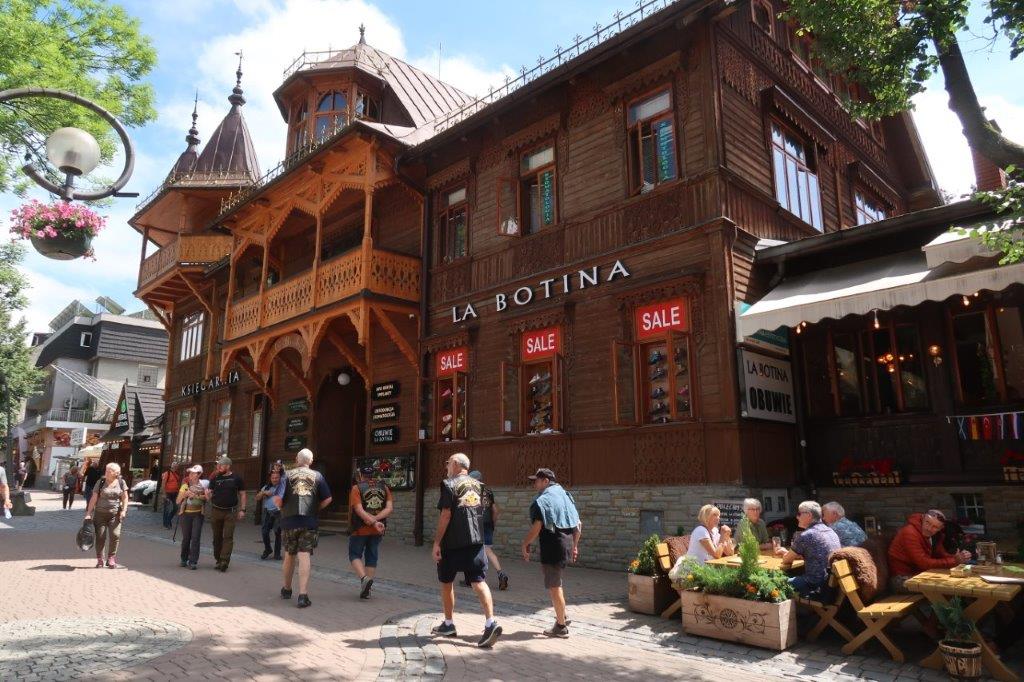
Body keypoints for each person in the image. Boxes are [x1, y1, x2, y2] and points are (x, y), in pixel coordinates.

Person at [430, 452, 502, 648]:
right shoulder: (479, 485)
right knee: (478, 581)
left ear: (455, 464)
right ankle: (490, 622)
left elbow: (445, 514)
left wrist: (436, 542)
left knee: (446, 581)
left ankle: (449, 623)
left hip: (452, 542)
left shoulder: (448, 484)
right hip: (476, 540)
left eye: (448, 463)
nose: (446, 466)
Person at [521, 467, 581, 638]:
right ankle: (563, 615)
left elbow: (537, 526)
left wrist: (525, 544)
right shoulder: (566, 495)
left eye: (536, 481)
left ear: (546, 481)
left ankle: (561, 627)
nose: (534, 484)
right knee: (557, 581)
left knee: (555, 586)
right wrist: (575, 545)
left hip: (553, 545)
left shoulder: (543, 500)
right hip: (566, 543)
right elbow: (578, 525)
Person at [275, 448, 332, 608]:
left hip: (289, 521)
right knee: (304, 555)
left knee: (289, 555)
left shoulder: (287, 475)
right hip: (308, 521)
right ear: (311, 461)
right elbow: (328, 498)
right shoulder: (317, 476)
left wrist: (282, 509)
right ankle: (303, 595)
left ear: (296, 459)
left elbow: (277, 499)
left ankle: (287, 589)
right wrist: (316, 508)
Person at [888, 509, 971, 593]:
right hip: (902, 579)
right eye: (927, 523)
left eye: (935, 527)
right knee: (947, 586)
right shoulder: (910, 532)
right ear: (923, 518)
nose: (929, 528)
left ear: (940, 528)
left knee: (960, 581)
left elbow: (940, 554)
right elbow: (923, 563)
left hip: (921, 574)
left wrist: (959, 557)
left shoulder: (934, 535)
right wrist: (954, 561)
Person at [774, 500, 841, 599]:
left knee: (773, 583)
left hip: (815, 585)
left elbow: (786, 560)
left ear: (809, 515)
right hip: (830, 585)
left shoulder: (807, 535)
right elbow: (817, 554)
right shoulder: (830, 531)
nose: (797, 517)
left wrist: (786, 554)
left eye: (799, 514)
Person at [348, 465, 393, 599]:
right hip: (378, 529)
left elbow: (359, 510)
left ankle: (364, 579)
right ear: (373, 475)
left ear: (361, 476)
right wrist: (376, 520)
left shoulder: (356, 488)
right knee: (372, 556)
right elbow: (389, 508)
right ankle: (367, 591)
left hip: (360, 528)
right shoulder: (384, 487)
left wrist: (371, 521)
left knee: (354, 554)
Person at [83, 463, 129, 568]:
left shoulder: (121, 482)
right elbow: (94, 498)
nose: (106, 473)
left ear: (116, 473)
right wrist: (88, 513)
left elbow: (125, 497)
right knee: (100, 537)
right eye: (106, 470)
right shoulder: (100, 482)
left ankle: (111, 558)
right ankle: (100, 559)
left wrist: (124, 510)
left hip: (115, 514)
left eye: (109, 471)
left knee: (115, 535)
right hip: (100, 514)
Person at [206, 455, 247, 573]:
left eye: (221, 465)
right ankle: (218, 559)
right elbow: (209, 496)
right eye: (218, 465)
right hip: (216, 511)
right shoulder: (215, 478)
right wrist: (208, 496)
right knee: (216, 537)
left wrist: (242, 509)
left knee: (228, 537)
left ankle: (224, 561)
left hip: (231, 512)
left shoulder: (237, 478)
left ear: (228, 466)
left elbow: (243, 494)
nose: (218, 467)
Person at [470, 470, 509, 591]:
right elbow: (495, 510)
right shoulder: (488, 491)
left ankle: (474, 579)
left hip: (477, 524)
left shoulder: (471, 491)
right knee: (488, 551)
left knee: (473, 551)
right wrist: (493, 524)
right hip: (488, 524)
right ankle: (500, 573)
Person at [177, 464, 208, 569]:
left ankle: (193, 561)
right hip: (185, 514)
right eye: (190, 472)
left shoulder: (204, 485)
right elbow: (178, 501)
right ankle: (183, 559)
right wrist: (185, 494)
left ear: (199, 474)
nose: (190, 474)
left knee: (196, 538)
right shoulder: (185, 485)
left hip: (198, 514)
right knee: (186, 538)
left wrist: (196, 495)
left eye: (193, 473)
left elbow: (207, 498)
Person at [257, 469, 285, 560]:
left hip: (279, 512)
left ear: (280, 478)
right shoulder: (266, 487)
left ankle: (277, 553)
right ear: (270, 478)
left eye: (277, 478)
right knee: (265, 532)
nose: (275, 479)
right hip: (268, 512)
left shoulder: (282, 487)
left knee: (277, 532)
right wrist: (263, 492)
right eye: (273, 478)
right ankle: (268, 549)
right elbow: (257, 498)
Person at [160, 463, 182, 529]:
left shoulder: (177, 474)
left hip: (175, 493)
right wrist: (164, 494)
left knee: (175, 508)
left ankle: (168, 519)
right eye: (174, 466)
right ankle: (166, 524)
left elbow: (178, 484)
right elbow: (163, 484)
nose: (176, 467)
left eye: (177, 466)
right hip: (168, 493)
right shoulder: (167, 473)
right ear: (172, 466)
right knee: (167, 508)